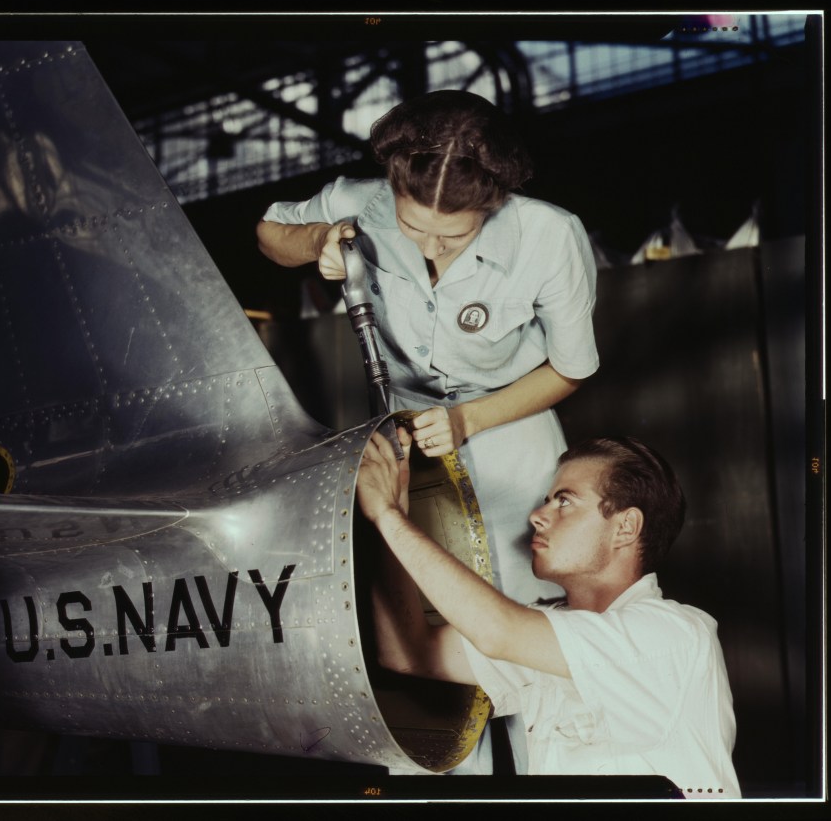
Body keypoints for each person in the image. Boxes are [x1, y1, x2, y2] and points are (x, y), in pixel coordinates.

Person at [257, 89, 600, 772]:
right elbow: (269, 232)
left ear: (495, 200)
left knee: (528, 623)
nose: (432, 247)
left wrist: (470, 418)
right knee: (423, 631)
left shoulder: (551, 235)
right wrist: (319, 241)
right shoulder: (364, 201)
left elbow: (571, 367)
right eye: (415, 231)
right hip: (402, 434)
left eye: (455, 234)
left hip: (508, 425)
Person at [356, 429, 741, 798]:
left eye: (565, 501)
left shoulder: (675, 635)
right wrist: (393, 511)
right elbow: (407, 654)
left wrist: (390, 517)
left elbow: (498, 631)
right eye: (547, 499)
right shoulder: (551, 634)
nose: (537, 516)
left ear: (626, 527)